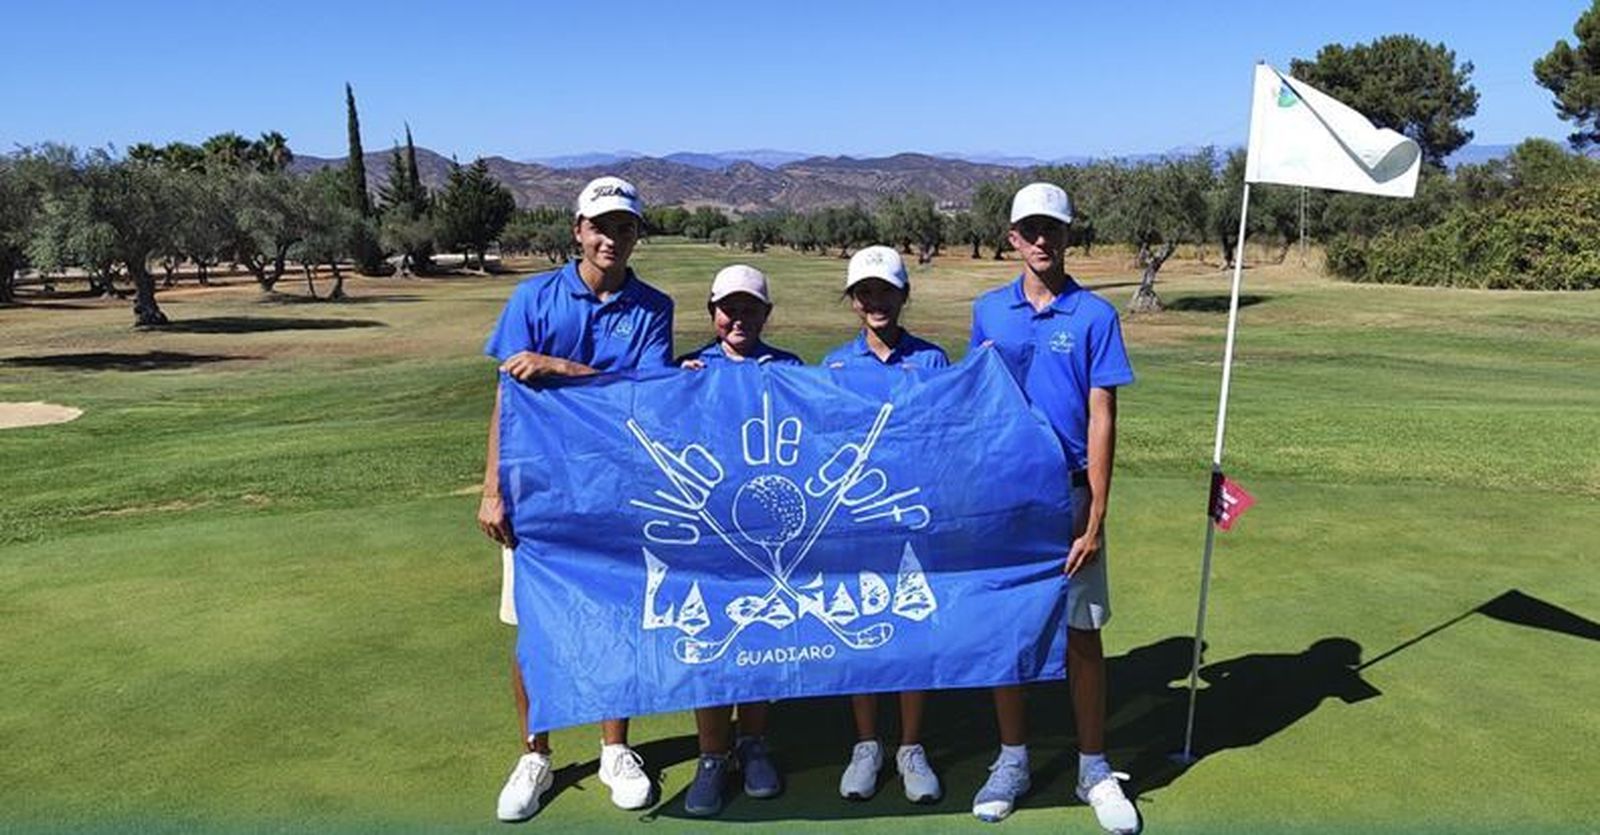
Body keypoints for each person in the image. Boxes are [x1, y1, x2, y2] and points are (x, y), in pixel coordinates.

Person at [478, 176, 674, 822]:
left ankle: (615, 747)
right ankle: (536, 753)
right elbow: (507, 396)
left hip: (615, 493)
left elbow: (641, 398)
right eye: (600, 226)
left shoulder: (654, 307)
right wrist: (491, 488)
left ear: (635, 235)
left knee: (615, 619)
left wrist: (559, 367)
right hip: (537, 491)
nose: (611, 238)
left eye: (624, 228)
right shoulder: (533, 297)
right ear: (577, 231)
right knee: (536, 625)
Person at [967, 182, 1139, 833]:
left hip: (1070, 490)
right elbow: (979, 404)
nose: (1042, 239)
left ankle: (1093, 766)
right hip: (1006, 497)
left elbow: (1102, 417)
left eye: (1054, 229)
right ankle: (1012, 759)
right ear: (1012, 236)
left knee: (1083, 633)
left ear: (1070, 236)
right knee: (1009, 633)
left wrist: (1095, 515)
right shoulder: (989, 310)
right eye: (1030, 229)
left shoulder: (1094, 315)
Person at [821, 245, 948, 805]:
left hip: (915, 517)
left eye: (886, 291)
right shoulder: (835, 366)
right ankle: (868, 744)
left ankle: (912, 747)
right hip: (856, 519)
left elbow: (949, 437)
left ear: (904, 295)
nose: (876, 301)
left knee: (913, 628)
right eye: (865, 292)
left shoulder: (934, 361)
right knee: (863, 624)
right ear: (853, 300)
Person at [676, 264, 801, 816]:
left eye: (751, 308)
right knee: (710, 639)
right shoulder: (688, 371)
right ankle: (711, 754)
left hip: (768, 530)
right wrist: (678, 384)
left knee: (756, 637)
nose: (739, 318)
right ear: (712, 314)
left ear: (766, 315)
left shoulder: (791, 368)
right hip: (709, 534)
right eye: (729, 308)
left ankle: (752, 743)